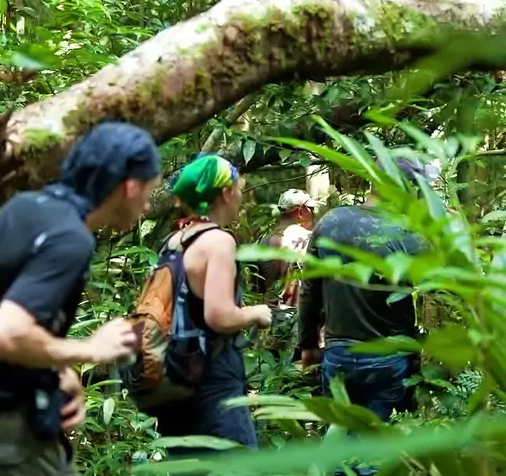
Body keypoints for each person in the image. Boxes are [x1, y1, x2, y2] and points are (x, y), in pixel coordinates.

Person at [0, 121, 161, 476]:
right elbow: (5, 335)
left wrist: (59, 372)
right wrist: (90, 349)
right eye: (149, 190)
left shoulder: (24, 208)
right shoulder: (71, 238)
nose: (149, 204)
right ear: (130, 186)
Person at [148, 155, 272, 454]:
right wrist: (256, 313)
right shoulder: (218, 242)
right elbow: (218, 315)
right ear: (227, 192)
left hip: (175, 378)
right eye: (240, 188)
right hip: (212, 379)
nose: (242, 196)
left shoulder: (174, 242)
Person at [299, 158, 431, 425]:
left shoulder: (331, 221)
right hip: (388, 359)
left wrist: (309, 345)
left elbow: (309, 289)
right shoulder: (410, 234)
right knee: (374, 449)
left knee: (339, 442)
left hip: (338, 354)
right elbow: (442, 288)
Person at [254, 189, 323, 361]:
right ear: (301, 211)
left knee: (273, 375)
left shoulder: (262, 239)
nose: (313, 214)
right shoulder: (305, 238)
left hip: (269, 317)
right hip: (295, 317)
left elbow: (257, 283)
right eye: (311, 209)